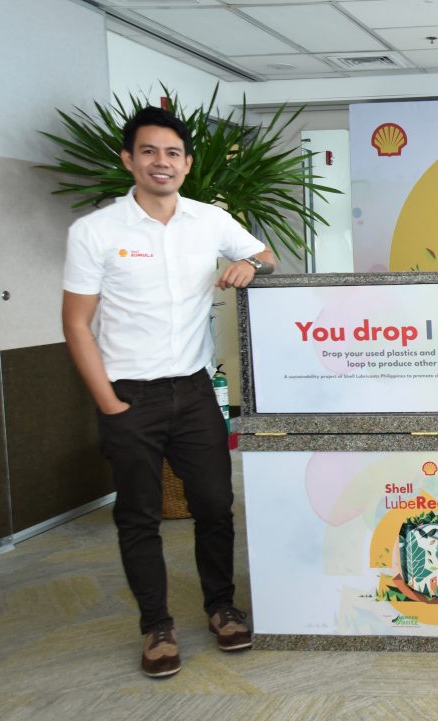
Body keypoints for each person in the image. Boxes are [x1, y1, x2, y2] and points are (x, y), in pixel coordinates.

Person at [62, 106, 276, 678]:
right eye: (150, 152)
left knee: (214, 505)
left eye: (173, 153)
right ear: (129, 160)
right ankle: (156, 626)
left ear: (186, 162)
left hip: (195, 391)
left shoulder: (209, 220)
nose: (163, 162)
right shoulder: (95, 231)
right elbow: (77, 323)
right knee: (138, 516)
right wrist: (108, 402)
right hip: (128, 394)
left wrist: (249, 267)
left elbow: (266, 255)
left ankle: (221, 608)